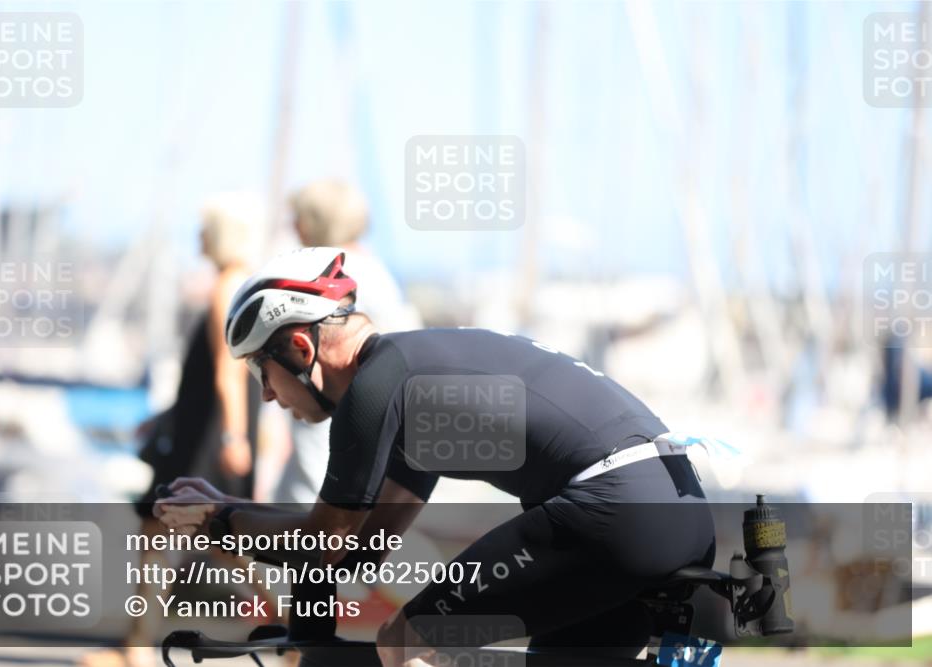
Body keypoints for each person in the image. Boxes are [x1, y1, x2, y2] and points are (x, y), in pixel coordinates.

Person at [157, 247, 716, 667]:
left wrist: (219, 520)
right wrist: (233, 516)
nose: (266, 396)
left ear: (301, 349)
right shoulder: (410, 380)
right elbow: (357, 549)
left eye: (262, 370)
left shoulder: (375, 390)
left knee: (404, 640)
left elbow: (324, 541)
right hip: (679, 510)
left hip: (614, 509)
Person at [82, 196, 260, 667]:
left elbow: (227, 370)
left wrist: (234, 437)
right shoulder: (241, 284)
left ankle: (137, 649)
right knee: (199, 538)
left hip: (207, 440)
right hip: (202, 432)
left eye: (204, 231)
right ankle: (136, 646)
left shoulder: (227, 286)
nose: (197, 238)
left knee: (210, 540)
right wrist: (167, 417)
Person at [274, 180, 420, 505]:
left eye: (298, 218)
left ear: (314, 222)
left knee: (305, 510)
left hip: (329, 414)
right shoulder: (375, 270)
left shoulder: (328, 272)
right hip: (369, 416)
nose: (293, 226)